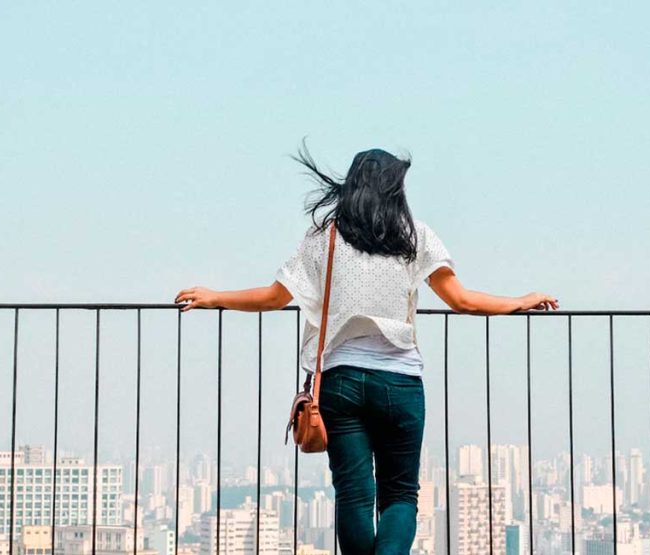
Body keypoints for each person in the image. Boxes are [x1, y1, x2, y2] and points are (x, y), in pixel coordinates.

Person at [173, 144, 558, 554]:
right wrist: (520, 300)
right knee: (400, 495)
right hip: (400, 383)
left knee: (354, 496)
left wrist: (215, 296)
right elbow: (461, 301)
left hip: (340, 383)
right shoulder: (415, 236)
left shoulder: (326, 238)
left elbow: (273, 297)